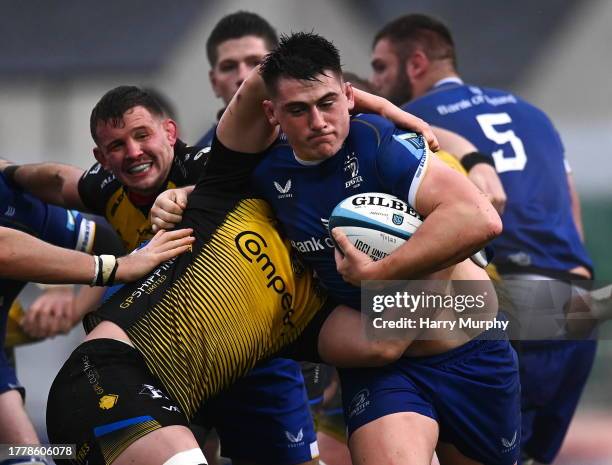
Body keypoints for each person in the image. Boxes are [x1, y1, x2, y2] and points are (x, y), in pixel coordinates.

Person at [153, 33, 519, 465]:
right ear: (272, 113)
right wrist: (180, 196)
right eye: (298, 110)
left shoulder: (380, 142)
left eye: (327, 103)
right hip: (384, 372)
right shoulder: (267, 168)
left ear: (349, 96)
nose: (318, 121)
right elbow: (223, 192)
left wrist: (383, 272)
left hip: (473, 351)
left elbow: (481, 219)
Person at [370, 13, 596, 464]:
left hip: (505, 300)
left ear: (415, 63)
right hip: (578, 306)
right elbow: (571, 211)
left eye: (380, 67)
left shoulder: (414, 123)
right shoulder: (531, 112)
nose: (374, 79)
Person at [0, 172, 192, 465]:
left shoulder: (10, 199)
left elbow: (106, 239)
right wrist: (114, 269)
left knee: (25, 456)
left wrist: (72, 302)